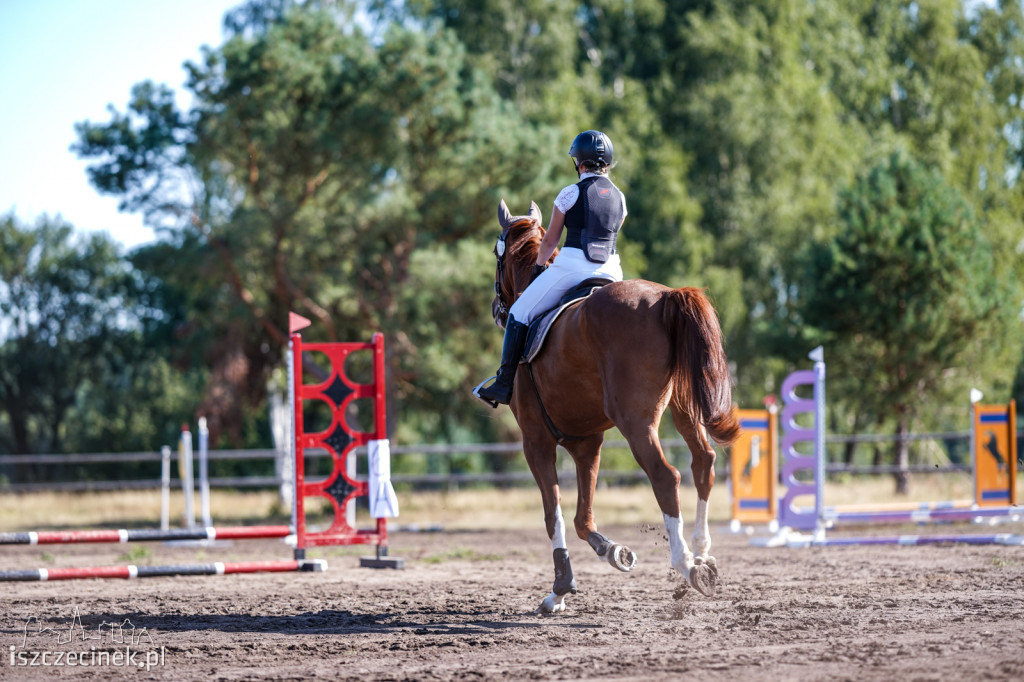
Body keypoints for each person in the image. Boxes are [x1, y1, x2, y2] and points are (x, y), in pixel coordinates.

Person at [475, 130, 627, 407]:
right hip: (612, 273)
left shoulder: (570, 193)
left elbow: (550, 241)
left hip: (571, 268)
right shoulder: (620, 198)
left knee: (519, 313)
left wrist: (538, 267)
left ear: (578, 162)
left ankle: (504, 382)